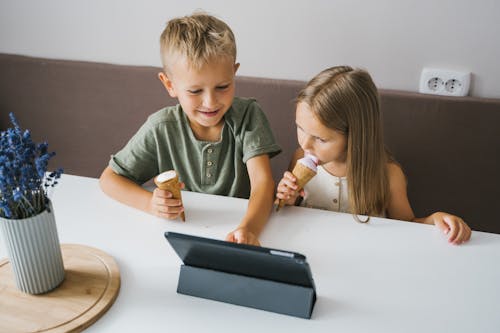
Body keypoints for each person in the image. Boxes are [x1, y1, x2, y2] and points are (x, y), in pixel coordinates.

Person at [99, 12, 281, 246]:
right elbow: (109, 179)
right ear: (169, 84)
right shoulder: (161, 128)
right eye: (195, 91)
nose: (210, 102)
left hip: (237, 232)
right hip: (178, 237)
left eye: (223, 86)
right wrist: (149, 204)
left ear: (234, 73)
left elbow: (263, 183)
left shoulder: (248, 116)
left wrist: (249, 229)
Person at [275, 66, 471, 245]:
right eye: (300, 128)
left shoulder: (388, 174)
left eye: (321, 139)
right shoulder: (299, 157)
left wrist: (436, 219)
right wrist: (287, 201)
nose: (305, 144)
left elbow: (408, 225)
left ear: (355, 136)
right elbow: (287, 218)